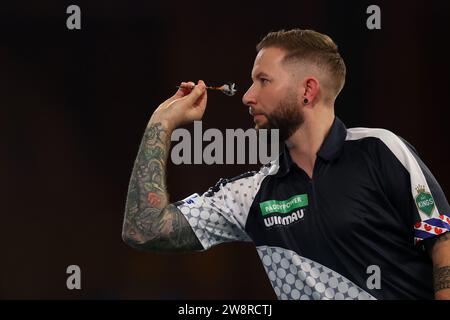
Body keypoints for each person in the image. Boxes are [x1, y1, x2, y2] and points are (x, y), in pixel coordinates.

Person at [122, 29, 450, 300]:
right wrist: (160, 126)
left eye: (263, 80)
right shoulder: (250, 194)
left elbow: (442, 240)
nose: (247, 96)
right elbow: (144, 229)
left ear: (307, 90)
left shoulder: (380, 149)